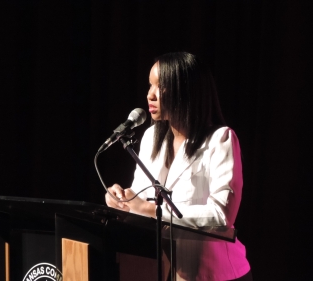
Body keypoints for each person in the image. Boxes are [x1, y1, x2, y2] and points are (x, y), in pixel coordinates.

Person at [105, 52, 252, 281]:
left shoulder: (220, 139)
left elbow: (221, 215)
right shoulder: (151, 136)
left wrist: (149, 210)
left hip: (213, 273)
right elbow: (141, 198)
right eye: (149, 85)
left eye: (160, 86)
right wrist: (122, 200)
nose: (150, 95)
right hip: (160, 268)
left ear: (186, 90)